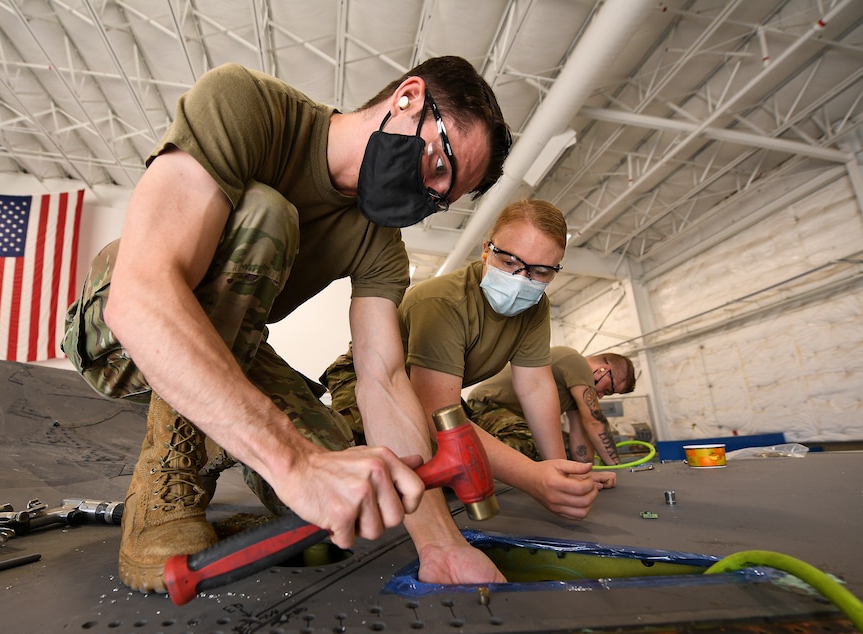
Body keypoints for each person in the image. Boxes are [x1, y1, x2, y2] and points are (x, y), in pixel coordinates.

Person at [62, 57, 512, 593]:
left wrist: (440, 545)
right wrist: (293, 463)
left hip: (233, 349)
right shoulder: (247, 105)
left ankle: (233, 464)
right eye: (438, 167)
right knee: (267, 212)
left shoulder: (382, 248)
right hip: (114, 333)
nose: (427, 198)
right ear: (409, 98)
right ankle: (167, 483)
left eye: (443, 198)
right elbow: (141, 295)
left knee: (343, 489)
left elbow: (384, 381)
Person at [322, 199, 616, 559]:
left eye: (540, 272)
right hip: (368, 377)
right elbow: (434, 410)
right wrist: (531, 479)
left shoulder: (535, 309)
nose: (521, 279)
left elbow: (536, 387)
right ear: (485, 251)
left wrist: (558, 473)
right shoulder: (443, 301)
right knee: (359, 468)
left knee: (482, 460)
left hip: (430, 392)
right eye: (509, 262)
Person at [467, 349, 637, 466]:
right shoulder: (576, 362)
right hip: (487, 406)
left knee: (563, 450)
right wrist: (618, 468)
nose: (600, 396)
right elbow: (595, 422)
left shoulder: (574, 389)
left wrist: (585, 473)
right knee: (530, 445)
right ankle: (466, 462)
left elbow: (579, 435)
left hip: (513, 418)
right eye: (607, 390)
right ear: (602, 370)